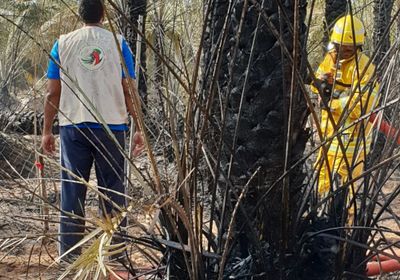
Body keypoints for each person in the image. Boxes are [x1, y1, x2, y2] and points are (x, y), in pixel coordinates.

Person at [42, 0, 144, 260]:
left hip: (73, 128)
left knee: (72, 193)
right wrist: (140, 128)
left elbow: (52, 92)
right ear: (103, 14)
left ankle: (70, 260)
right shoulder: (118, 44)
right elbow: (129, 89)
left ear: (80, 14)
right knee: (113, 194)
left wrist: (46, 132)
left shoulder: (62, 43)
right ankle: (117, 257)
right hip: (112, 127)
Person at [311, 15, 379, 199]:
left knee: (345, 186)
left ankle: (344, 224)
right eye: (341, 47)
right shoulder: (330, 58)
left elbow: (361, 105)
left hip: (352, 138)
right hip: (327, 132)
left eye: (350, 49)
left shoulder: (364, 67)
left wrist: (333, 102)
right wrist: (320, 85)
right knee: (322, 179)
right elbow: (315, 83)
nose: (344, 52)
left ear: (358, 47)